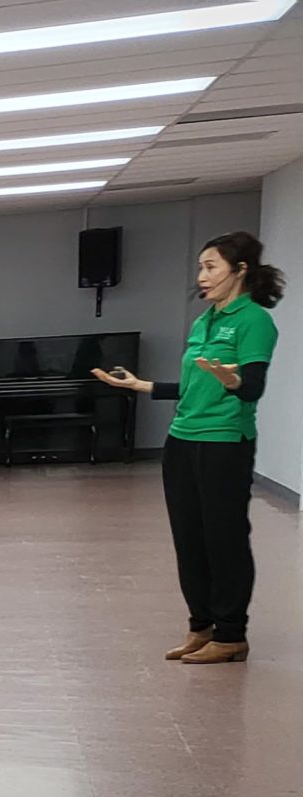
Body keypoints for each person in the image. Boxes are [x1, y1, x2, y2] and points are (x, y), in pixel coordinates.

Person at [95, 228, 282, 665]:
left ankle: (231, 634)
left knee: (224, 539)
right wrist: (142, 385)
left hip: (223, 443)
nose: (202, 276)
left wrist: (233, 381)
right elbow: (196, 384)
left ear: (240, 270)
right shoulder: (204, 321)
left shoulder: (254, 320)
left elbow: (251, 387)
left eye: (211, 267)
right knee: (189, 539)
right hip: (182, 439)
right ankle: (201, 627)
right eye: (200, 267)